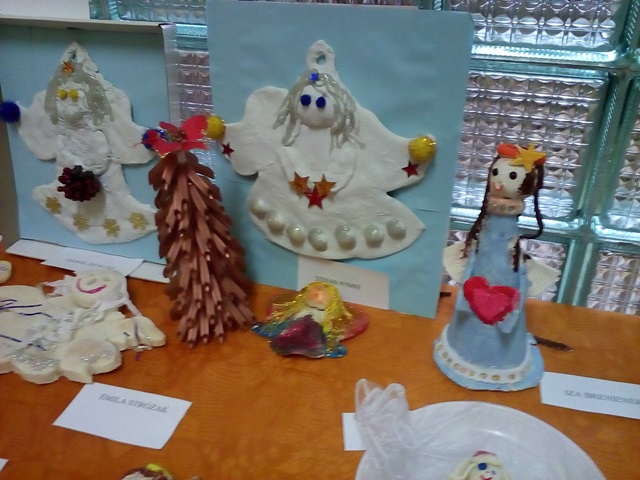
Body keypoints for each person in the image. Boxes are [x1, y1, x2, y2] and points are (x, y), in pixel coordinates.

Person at [434, 143, 548, 391]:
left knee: (504, 294)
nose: (498, 182)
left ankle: (499, 356)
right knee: (476, 288)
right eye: (496, 173)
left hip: (505, 270)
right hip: (483, 265)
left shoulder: (511, 242)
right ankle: (466, 348)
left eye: (511, 176)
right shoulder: (486, 224)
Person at [253, 281, 368, 358]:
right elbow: (285, 317)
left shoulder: (325, 316)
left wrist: (331, 343)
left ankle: (308, 346)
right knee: (291, 327)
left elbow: (329, 329)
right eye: (317, 289)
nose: (317, 294)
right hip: (294, 326)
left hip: (313, 334)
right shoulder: (299, 308)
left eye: (323, 291)